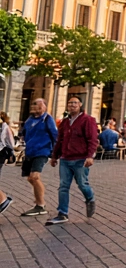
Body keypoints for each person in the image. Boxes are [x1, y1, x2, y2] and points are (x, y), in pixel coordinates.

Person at [47, 95, 97, 226]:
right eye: (70, 103)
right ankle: (62, 213)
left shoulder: (88, 120)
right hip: (65, 158)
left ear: (80, 104)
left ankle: (90, 199)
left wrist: (90, 155)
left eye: (75, 103)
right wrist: (54, 156)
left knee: (82, 184)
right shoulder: (65, 122)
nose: (72, 105)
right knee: (63, 186)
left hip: (80, 159)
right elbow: (60, 140)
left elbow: (92, 139)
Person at [18, 99, 57, 217]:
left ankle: (40, 205)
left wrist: (55, 153)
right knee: (30, 178)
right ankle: (39, 199)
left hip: (42, 151)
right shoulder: (29, 120)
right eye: (34, 104)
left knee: (34, 177)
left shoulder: (47, 119)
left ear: (45, 107)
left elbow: (55, 135)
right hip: (30, 152)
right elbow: (23, 134)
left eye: (40, 105)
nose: (37, 107)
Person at [0, 112, 14, 215]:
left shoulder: (5, 128)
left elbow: (11, 143)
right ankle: (3, 199)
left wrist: (11, 154)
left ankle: (3, 199)